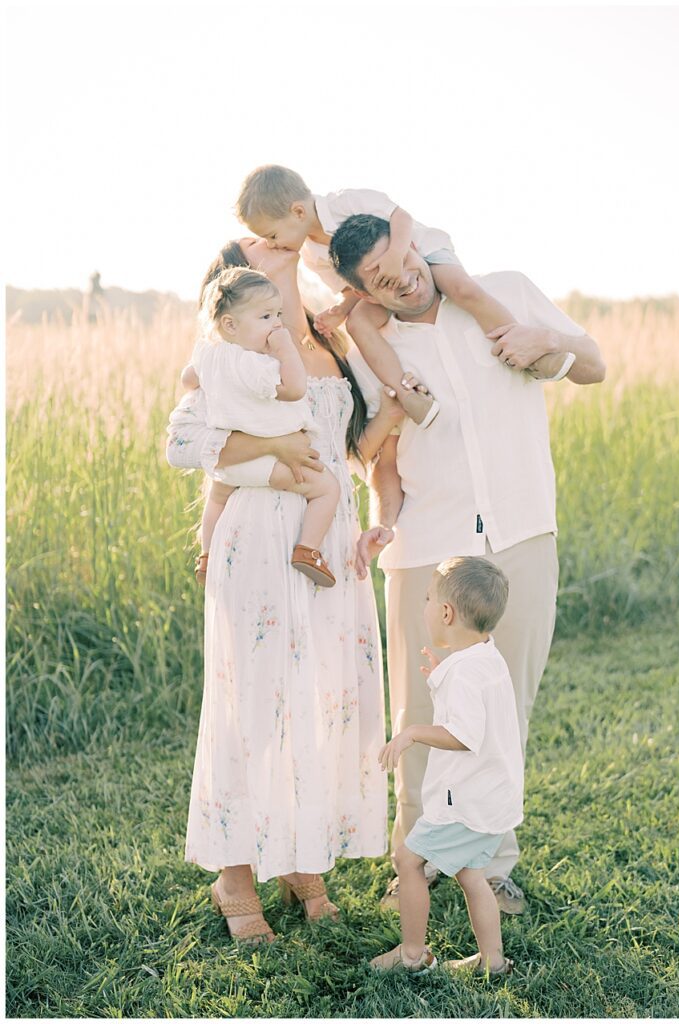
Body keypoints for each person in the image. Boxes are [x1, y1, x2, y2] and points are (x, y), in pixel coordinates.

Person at [327, 213, 606, 914]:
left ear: (415, 243)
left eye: (403, 264)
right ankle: (412, 866)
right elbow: (367, 457)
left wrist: (549, 339)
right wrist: (386, 492)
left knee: (504, 711)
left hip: (521, 533)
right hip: (425, 545)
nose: (403, 283)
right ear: (363, 292)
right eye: (382, 284)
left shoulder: (504, 290)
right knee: (421, 713)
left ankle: (494, 863)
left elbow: (594, 366)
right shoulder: (367, 349)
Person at [167, 238, 401, 945]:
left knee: (320, 699)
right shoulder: (226, 360)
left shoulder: (329, 353)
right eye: (268, 263)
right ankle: (235, 878)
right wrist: (269, 449)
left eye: (288, 264)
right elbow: (186, 447)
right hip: (261, 533)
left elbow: (350, 451)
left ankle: (303, 861)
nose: (284, 274)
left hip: (324, 541)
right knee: (257, 701)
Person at [234, 165, 575, 430]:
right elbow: (353, 290)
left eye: (272, 235)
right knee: (360, 324)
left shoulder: (344, 202)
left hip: (420, 259)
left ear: (296, 212)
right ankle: (410, 395)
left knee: (462, 289)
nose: (273, 244)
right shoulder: (311, 256)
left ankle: (521, 345)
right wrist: (342, 309)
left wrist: (397, 255)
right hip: (383, 292)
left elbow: (401, 217)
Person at [370, 556, 519, 976]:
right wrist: (443, 676)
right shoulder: (485, 658)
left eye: (428, 599)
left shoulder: (464, 675)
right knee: (472, 875)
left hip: (465, 803)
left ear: (446, 613)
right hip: (491, 800)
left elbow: (463, 735)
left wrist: (413, 732)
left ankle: (412, 955)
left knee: (409, 859)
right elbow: (473, 709)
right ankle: (492, 962)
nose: (425, 606)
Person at [183, 266, 340, 588]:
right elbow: (295, 388)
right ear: (230, 324)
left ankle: (207, 555)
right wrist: (285, 350)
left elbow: (187, 380)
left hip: (228, 466)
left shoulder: (207, 353)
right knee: (327, 488)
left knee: (216, 500)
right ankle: (308, 550)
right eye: (266, 317)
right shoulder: (256, 365)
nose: (278, 324)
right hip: (269, 463)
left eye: (278, 314)